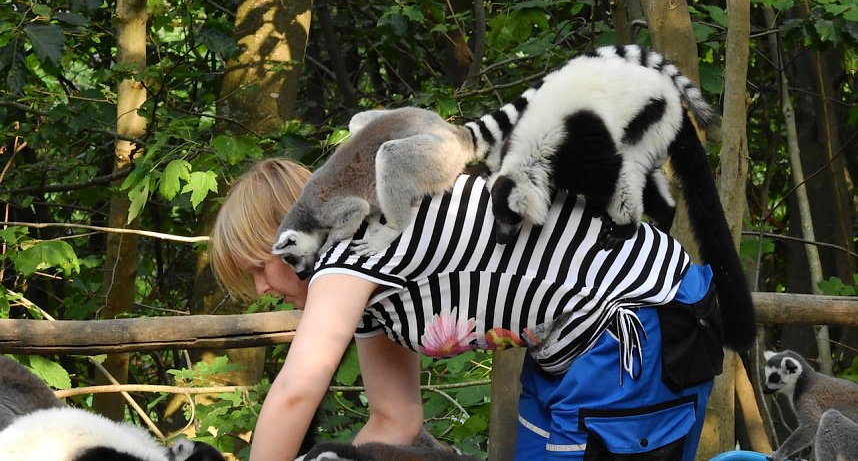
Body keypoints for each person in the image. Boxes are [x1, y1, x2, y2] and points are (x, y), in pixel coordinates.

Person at [209, 157, 724, 461]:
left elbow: (296, 392)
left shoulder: (350, 248)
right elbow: (396, 419)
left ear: (294, 233)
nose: (259, 289)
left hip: (641, 325)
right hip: (570, 351)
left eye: (260, 266)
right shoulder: (364, 288)